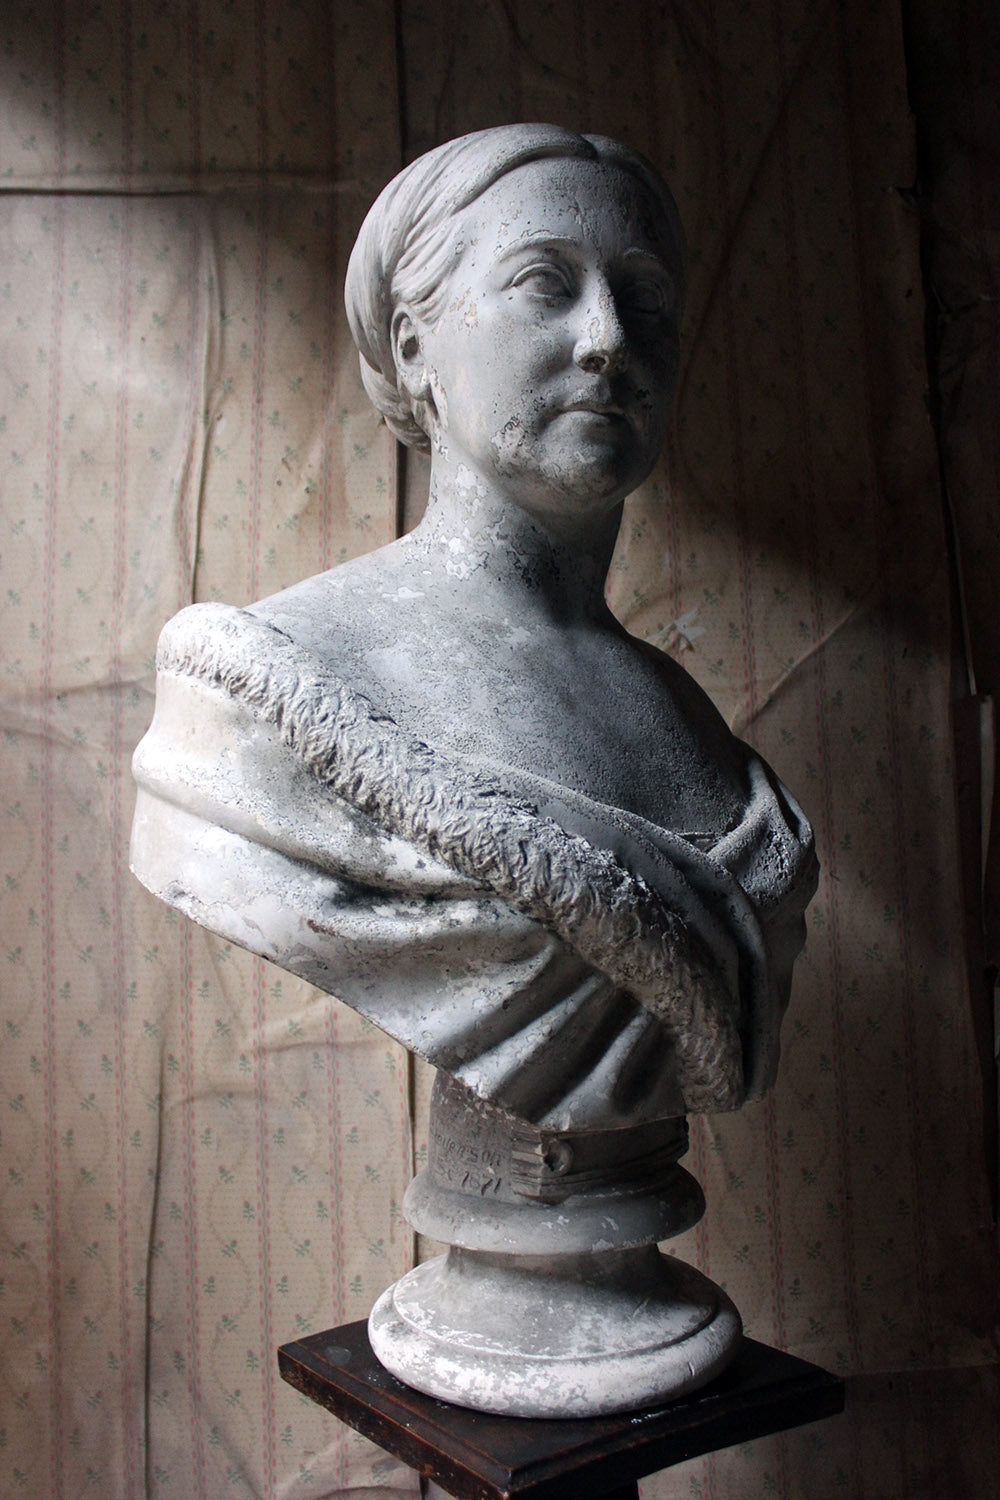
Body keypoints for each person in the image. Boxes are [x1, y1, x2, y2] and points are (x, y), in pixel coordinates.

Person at [131, 124, 817, 1134]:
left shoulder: (687, 723)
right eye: (545, 284)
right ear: (415, 348)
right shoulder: (262, 689)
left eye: (645, 300)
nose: (609, 339)